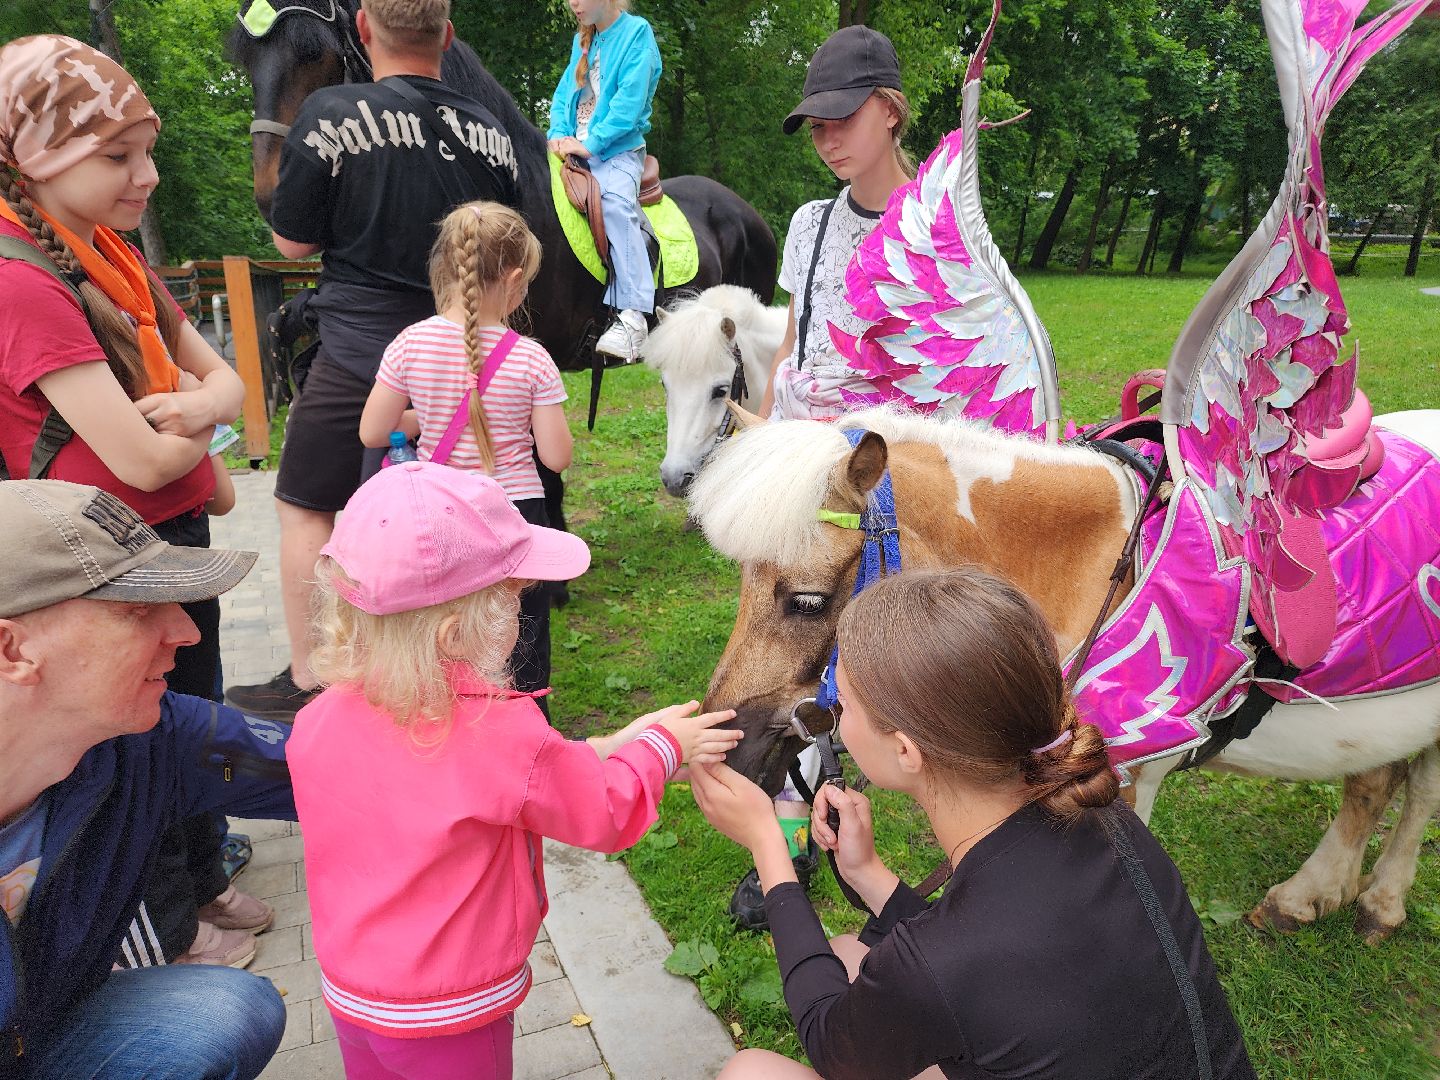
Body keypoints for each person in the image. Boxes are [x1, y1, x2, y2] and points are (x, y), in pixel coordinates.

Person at [692, 568, 1257, 1080]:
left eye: (848, 703)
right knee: (847, 954)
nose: (836, 713)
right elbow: (994, 969)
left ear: (907, 751)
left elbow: (829, 1040)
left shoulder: (941, 962)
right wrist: (868, 877)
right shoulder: (1107, 820)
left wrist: (770, 845)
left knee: (752, 1072)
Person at [286, 461, 740, 1078]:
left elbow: (481, 786)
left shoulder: (322, 718)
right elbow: (598, 809)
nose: (523, 612)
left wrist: (610, 744)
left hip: (356, 993)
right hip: (449, 1011)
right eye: (512, 601)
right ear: (455, 634)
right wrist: (661, 748)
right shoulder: (496, 731)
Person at [0, 34, 271, 970]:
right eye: (116, 155)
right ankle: (167, 919)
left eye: (145, 148)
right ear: (34, 157)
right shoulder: (25, 285)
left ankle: (202, 871)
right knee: (132, 734)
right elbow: (143, 462)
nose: (146, 174)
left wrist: (201, 408)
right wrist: (210, 414)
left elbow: (226, 384)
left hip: (171, 540)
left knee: (190, 701)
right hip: (107, 560)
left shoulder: (108, 254)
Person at [225, 0, 522, 722]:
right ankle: (460, 675)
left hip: (361, 358)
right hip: (462, 355)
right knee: (459, 516)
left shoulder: (329, 113)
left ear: (362, 31)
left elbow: (292, 244)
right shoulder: (493, 134)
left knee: (303, 510)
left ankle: (314, 678)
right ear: (446, 36)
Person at [0, 479, 298, 1079]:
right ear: (12, 649)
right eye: (136, 611)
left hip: (34, 1029)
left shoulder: (148, 739)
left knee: (226, 1008)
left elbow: (328, 768)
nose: (186, 633)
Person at [358, 201, 572, 710]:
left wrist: (424, 418)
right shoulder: (532, 357)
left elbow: (372, 430)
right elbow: (557, 456)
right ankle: (526, 729)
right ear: (516, 278)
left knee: (445, 628)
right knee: (519, 637)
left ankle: (449, 720)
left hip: (440, 513)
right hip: (513, 515)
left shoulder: (410, 344)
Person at [757, 25, 916, 420]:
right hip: (794, 443)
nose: (829, 141)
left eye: (844, 118)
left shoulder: (935, 228)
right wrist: (755, 439)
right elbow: (791, 347)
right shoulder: (809, 223)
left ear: (891, 111)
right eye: (817, 127)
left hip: (885, 452)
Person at [546, 0, 661, 362]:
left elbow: (627, 108)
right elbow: (565, 95)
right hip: (574, 148)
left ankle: (634, 316)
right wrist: (557, 135)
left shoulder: (636, 34)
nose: (572, 4)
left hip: (617, 151)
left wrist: (589, 144)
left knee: (612, 202)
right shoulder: (583, 41)